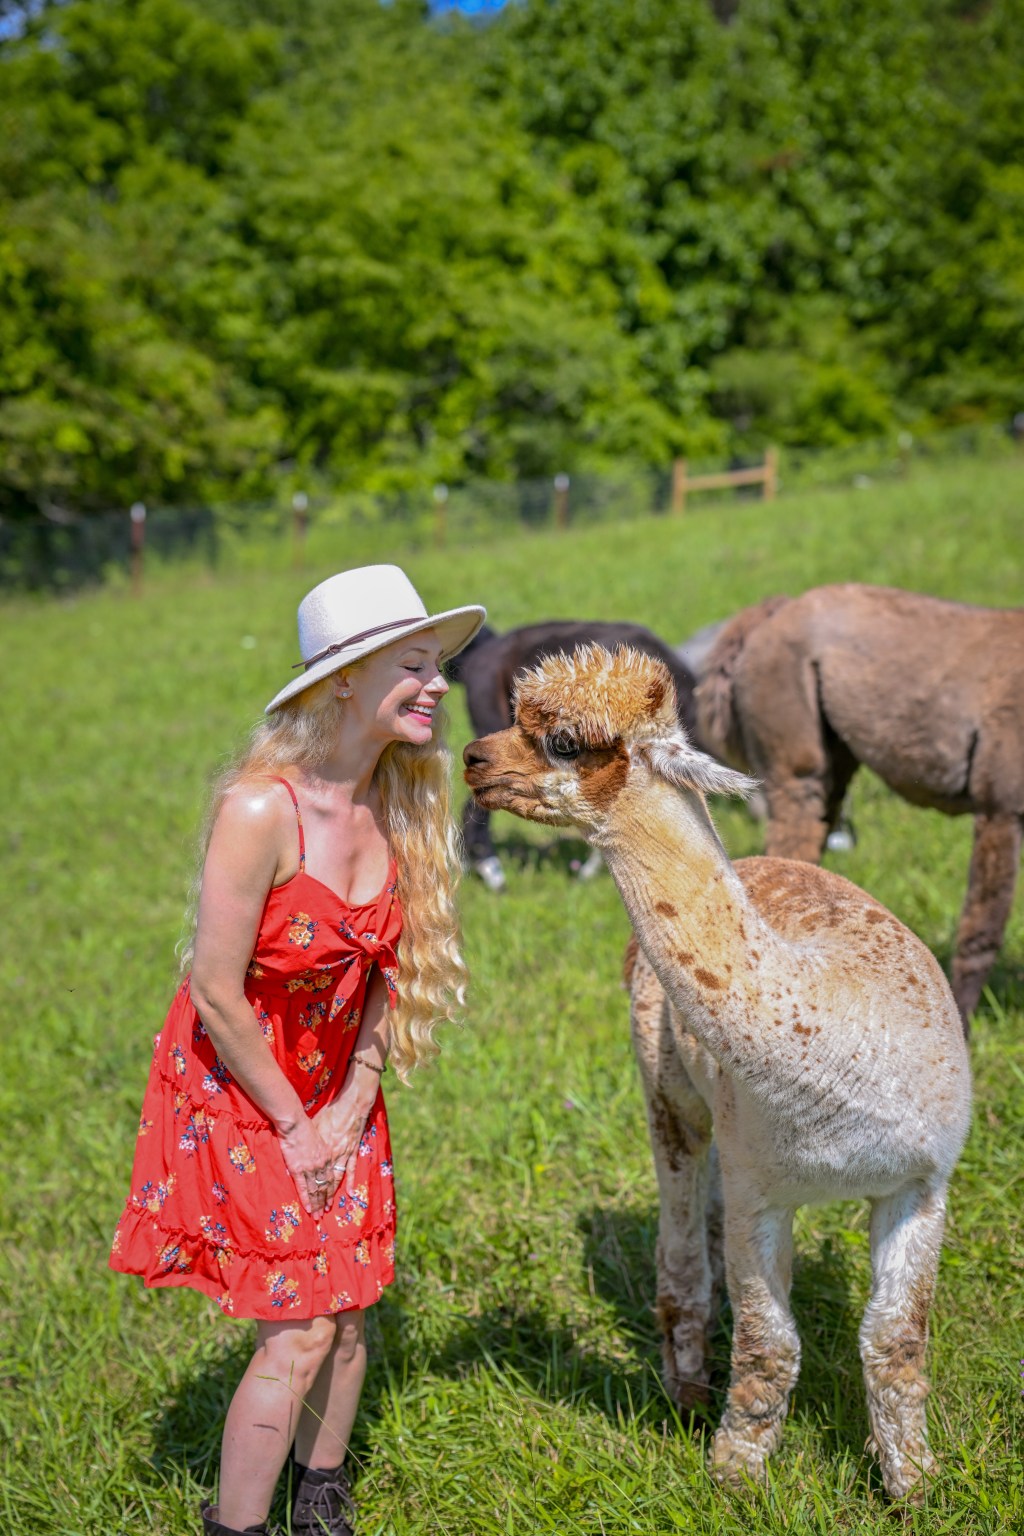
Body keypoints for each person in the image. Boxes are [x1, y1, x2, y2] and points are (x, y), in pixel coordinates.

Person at [110, 564, 485, 1536]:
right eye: (412, 666)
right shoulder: (257, 810)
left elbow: (383, 974)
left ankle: (321, 1499)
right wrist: (298, 1127)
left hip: (336, 1086)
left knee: (351, 1305)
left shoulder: (403, 800)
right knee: (302, 1325)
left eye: (435, 664)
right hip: (243, 1086)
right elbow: (216, 993)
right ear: (344, 682)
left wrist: (357, 1093)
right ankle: (236, 1527)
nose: (437, 683)